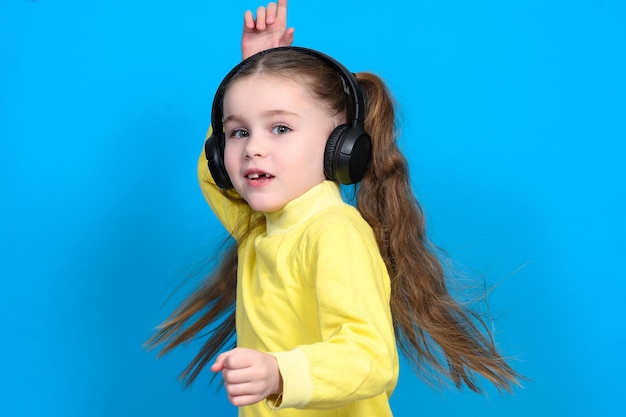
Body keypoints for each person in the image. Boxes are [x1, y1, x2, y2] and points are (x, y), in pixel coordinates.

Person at [146, 1, 522, 415]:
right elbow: (211, 178)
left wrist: (279, 373)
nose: (252, 148)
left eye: (281, 128)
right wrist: (255, 67)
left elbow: (371, 359)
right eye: (237, 132)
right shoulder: (262, 229)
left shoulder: (334, 233)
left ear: (339, 147)